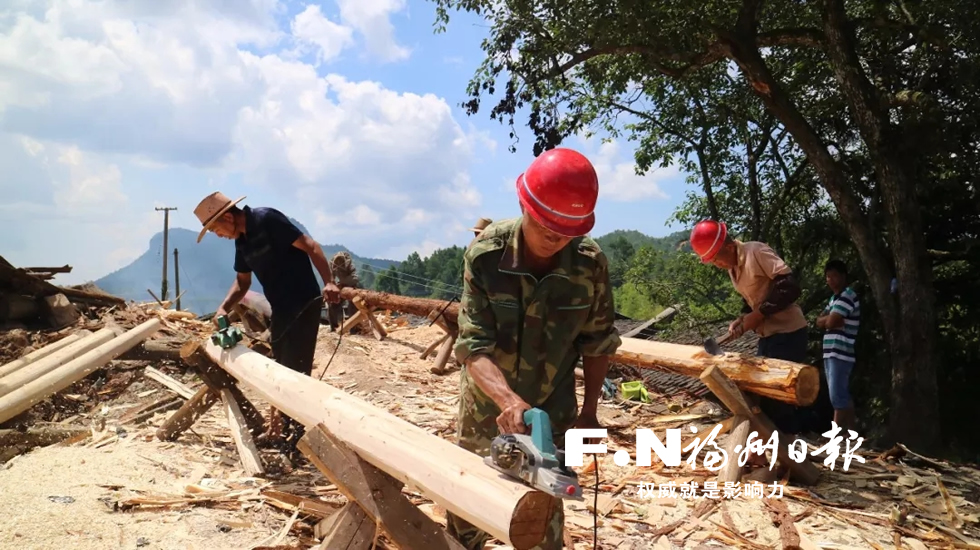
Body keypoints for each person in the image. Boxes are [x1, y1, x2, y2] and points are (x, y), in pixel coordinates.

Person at [448, 148, 622, 550]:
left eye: (567, 230)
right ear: (525, 205)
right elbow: (473, 345)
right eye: (547, 225)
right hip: (487, 408)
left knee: (543, 516)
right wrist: (508, 400)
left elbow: (598, 342)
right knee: (467, 510)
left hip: (553, 408)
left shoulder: (589, 265)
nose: (555, 237)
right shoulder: (486, 256)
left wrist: (590, 413)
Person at [194, 191, 340, 455]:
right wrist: (223, 308)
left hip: (304, 302)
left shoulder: (267, 220)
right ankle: (284, 432)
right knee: (281, 370)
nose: (218, 234)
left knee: (295, 372)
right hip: (281, 309)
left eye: (216, 228)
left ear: (228, 216)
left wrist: (328, 281)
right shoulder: (242, 243)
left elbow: (311, 245)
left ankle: (298, 441)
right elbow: (242, 282)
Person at [689, 220, 808, 434]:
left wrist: (759, 314)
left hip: (789, 334)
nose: (717, 264)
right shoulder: (732, 267)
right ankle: (773, 453)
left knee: (778, 399)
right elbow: (752, 299)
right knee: (759, 395)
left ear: (729, 246)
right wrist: (743, 318)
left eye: (716, 258)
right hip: (768, 335)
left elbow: (789, 286)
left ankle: (789, 454)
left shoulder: (756, 251)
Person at [816, 260, 860, 431]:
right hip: (831, 352)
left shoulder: (847, 295)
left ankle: (836, 434)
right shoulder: (834, 299)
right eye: (828, 276)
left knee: (837, 395)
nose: (831, 280)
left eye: (834, 275)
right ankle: (851, 432)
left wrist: (828, 320)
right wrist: (828, 320)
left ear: (843, 276)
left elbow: (830, 321)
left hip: (841, 351)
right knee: (840, 392)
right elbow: (821, 320)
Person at [328, 251, 359, 331]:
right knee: (333, 303)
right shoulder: (331, 264)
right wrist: (333, 285)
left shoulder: (350, 265)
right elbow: (330, 277)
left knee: (353, 304)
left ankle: (353, 328)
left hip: (351, 286)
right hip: (340, 286)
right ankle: (334, 327)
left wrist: (343, 282)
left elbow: (355, 278)